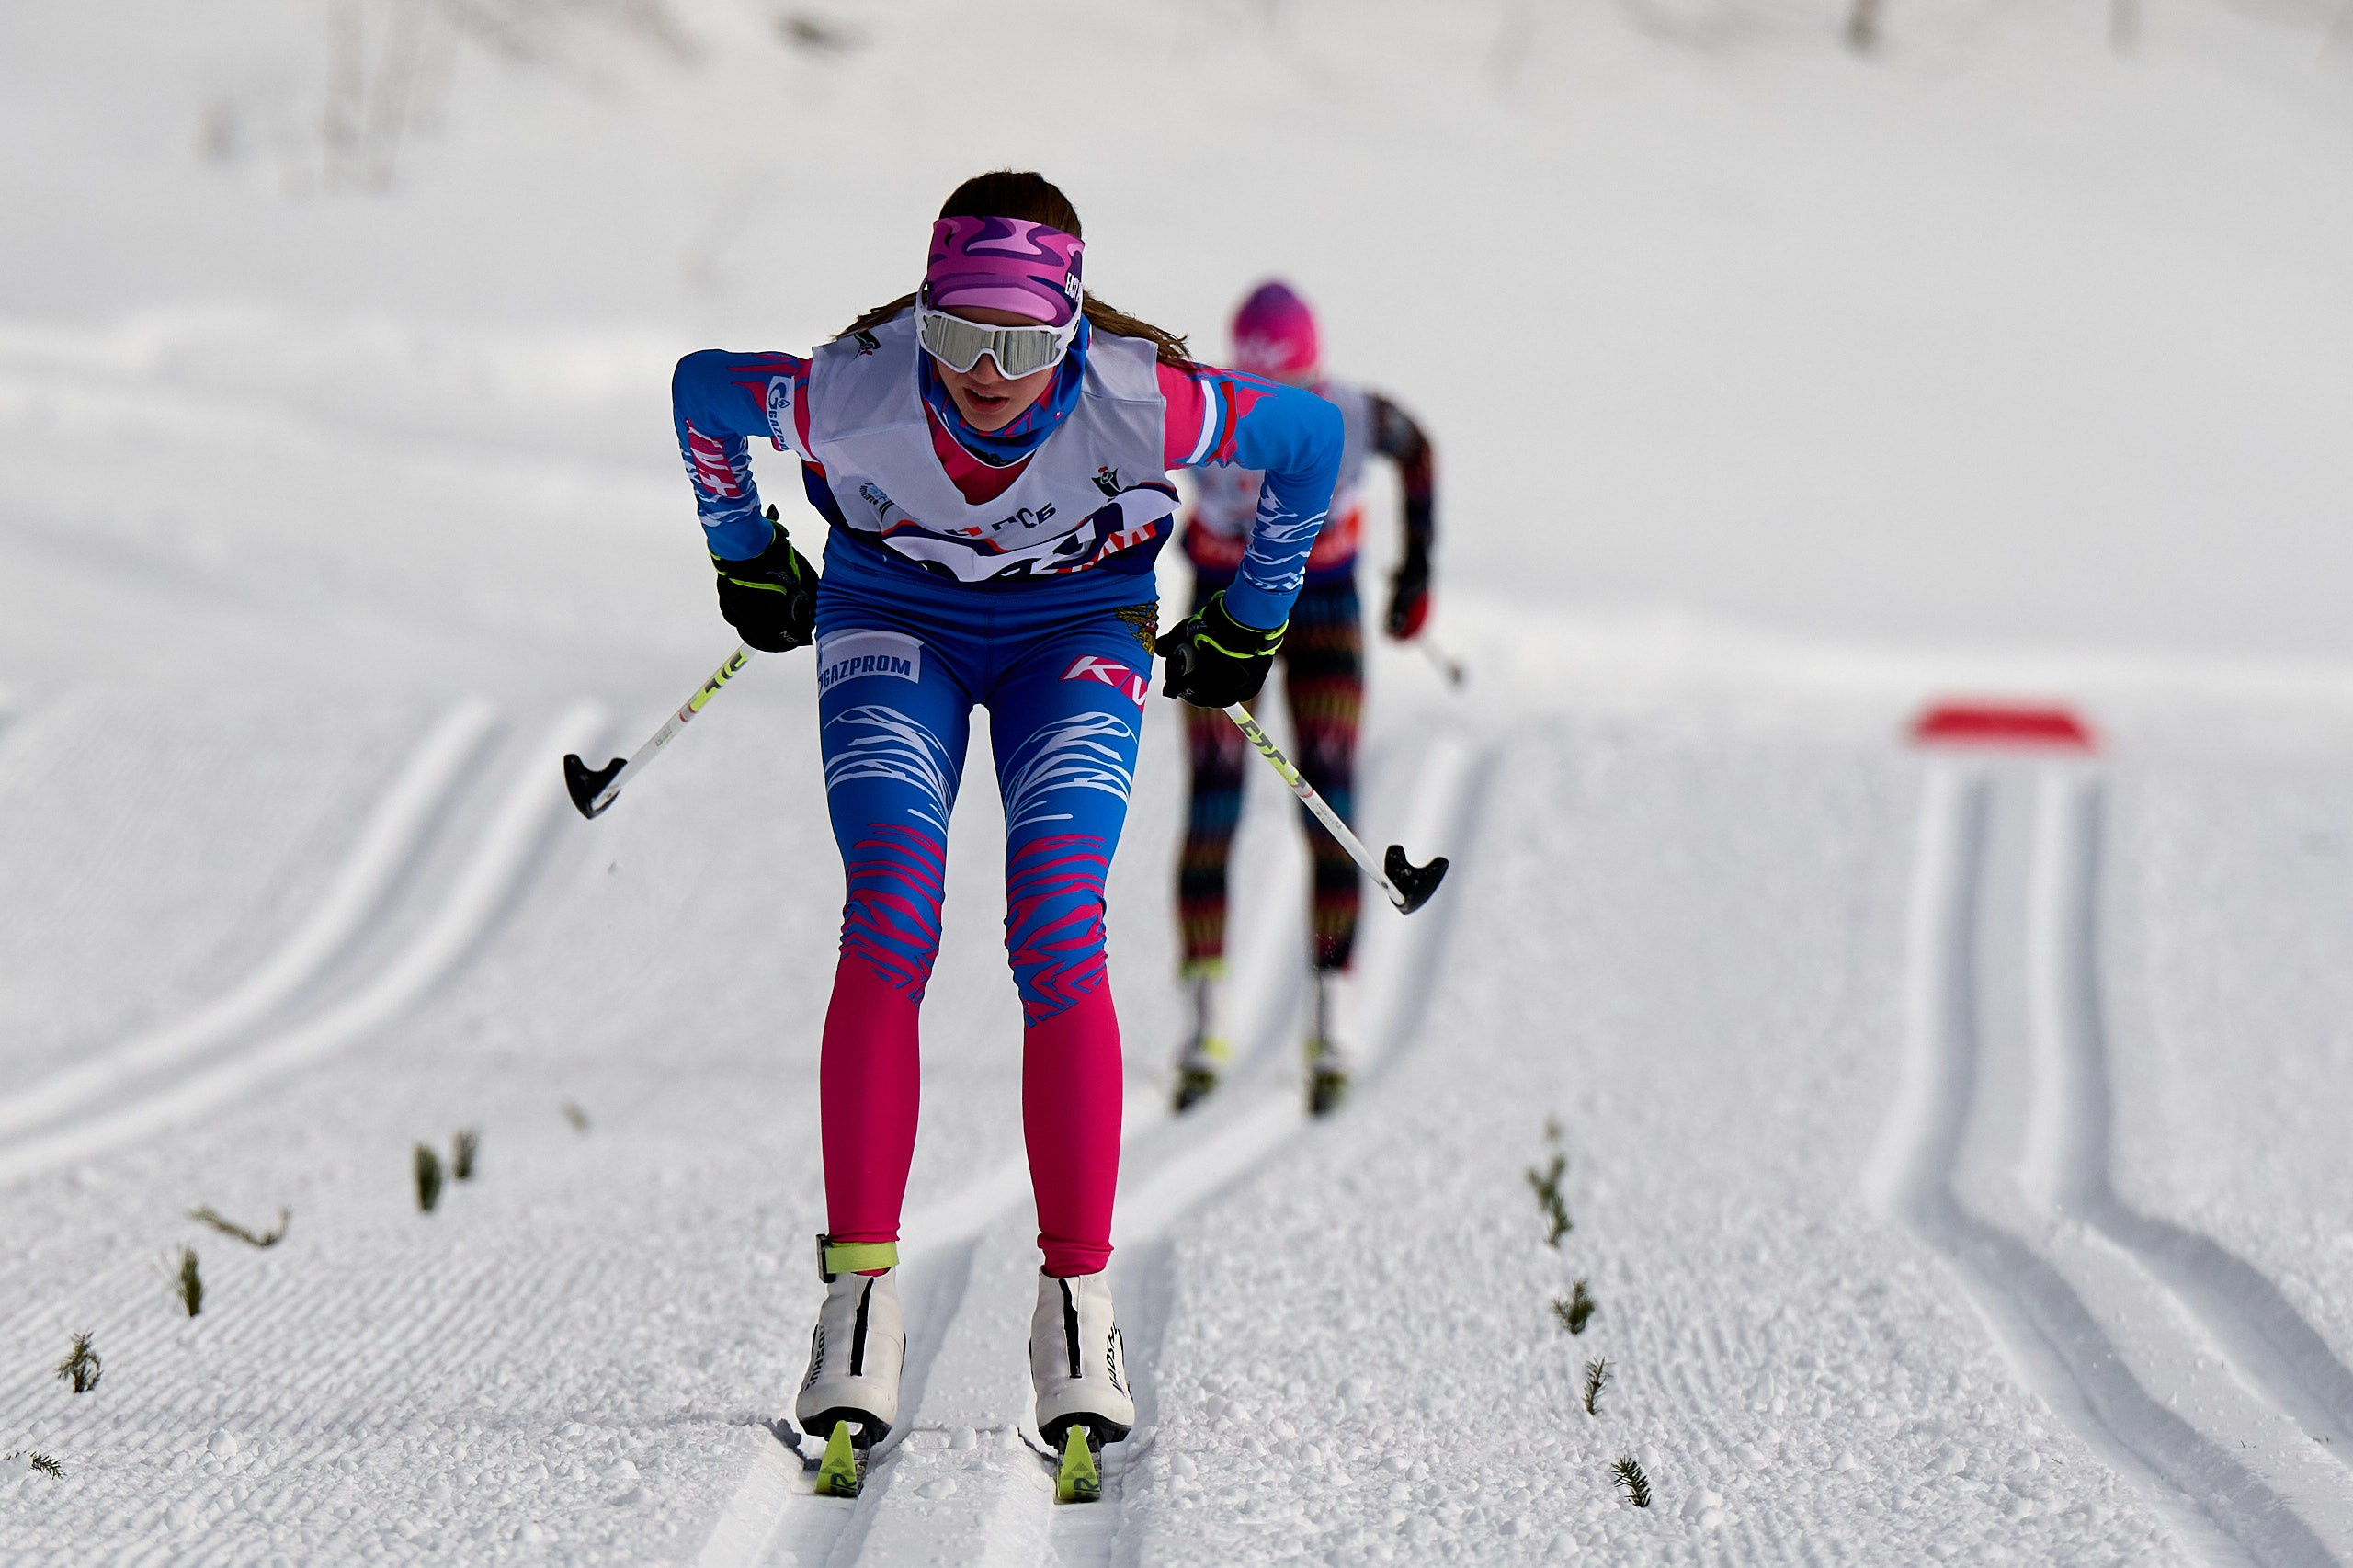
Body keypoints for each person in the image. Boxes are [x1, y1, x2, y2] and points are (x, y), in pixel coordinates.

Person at [667, 173, 1342, 1472]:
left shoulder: (1140, 399)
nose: (988, 372)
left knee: (1058, 923)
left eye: (1025, 345)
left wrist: (1256, 614)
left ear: (1072, 328)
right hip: (894, 619)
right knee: (890, 913)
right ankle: (858, 1297)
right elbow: (704, 391)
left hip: (1073, 632)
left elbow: (1309, 439)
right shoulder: (847, 392)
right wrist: (741, 546)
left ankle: (1077, 1300)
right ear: (922, 313)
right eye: (961, 333)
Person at [1170, 279, 1438, 1119]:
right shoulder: (1207, 411)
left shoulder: (1353, 414)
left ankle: (1330, 1014)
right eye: (1263, 391)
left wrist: (1416, 569)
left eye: (1295, 389)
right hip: (1222, 603)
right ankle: (1204, 1018)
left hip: (1323, 606)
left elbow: (1418, 449)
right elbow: (1118, 467)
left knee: (1329, 798)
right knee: (1214, 805)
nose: (1279, 411)